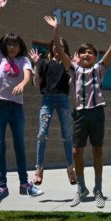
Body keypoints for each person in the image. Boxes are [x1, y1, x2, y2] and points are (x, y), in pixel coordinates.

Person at [67, 12, 111, 209]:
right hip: (79, 113)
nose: (87, 55)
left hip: (96, 113)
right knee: (77, 151)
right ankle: (81, 188)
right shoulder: (75, 70)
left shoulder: (99, 69)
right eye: (83, 52)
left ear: (95, 57)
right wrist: (55, 32)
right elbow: (60, 53)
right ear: (78, 56)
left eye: (90, 53)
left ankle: (98, 189)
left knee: (97, 151)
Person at [0, 0, 43, 205]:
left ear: (20, 46)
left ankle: (24, 185)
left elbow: (28, 74)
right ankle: (1, 187)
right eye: (8, 44)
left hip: (16, 108)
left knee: (19, 145)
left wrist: (22, 84)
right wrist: (0, 8)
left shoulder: (23, 59)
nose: (11, 47)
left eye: (15, 45)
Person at [27, 16, 77, 188]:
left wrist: (73, 72)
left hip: (63, 99)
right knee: (42, 134)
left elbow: (71, 85)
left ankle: (71, 169)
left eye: (62, 47)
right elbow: (36, 83)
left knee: (67, 135)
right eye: (56, 45)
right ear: (52, 47)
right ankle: (39, 169)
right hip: (47, 99)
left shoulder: (67, 64)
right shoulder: (44, 63)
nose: (58, 48)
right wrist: (35, 65)